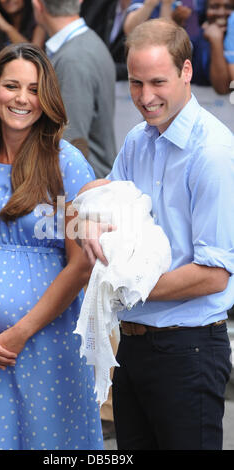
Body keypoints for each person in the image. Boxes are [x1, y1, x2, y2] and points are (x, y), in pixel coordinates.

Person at [78, 18, 234, 450]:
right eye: (135, 82)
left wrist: (123, 287)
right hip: (132, 344)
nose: (146, 97)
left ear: (187, 72)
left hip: (190, 349)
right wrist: (86, 219)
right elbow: (102, 205)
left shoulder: (214, 153)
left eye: (158, 82)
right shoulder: (135, 140)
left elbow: (213, 275)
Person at [0, 42, 103, 450]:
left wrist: (22, 331)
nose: (21, 98)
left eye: (33, 89)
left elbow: (81, 264)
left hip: (51, 343)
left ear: (46, 98)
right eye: (11, 86)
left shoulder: (67, 163)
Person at [32, 0, 117, 179]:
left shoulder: (74, 59)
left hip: (82, 190)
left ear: (37, 5)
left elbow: (71, 141)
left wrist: (63, 203)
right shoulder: (82, 46)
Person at [191, 0, 234, 94]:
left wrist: (216, 41)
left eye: (228, 7)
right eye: (214, 7)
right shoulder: (196, 42)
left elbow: (223, 88)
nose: (221, 13)